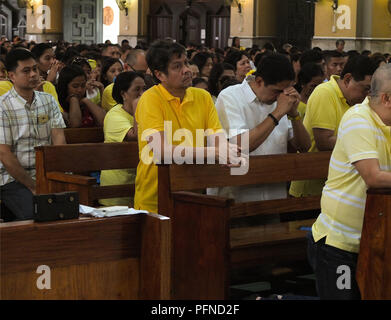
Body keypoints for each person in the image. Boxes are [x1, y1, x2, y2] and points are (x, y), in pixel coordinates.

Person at [307, 64, 391, 300]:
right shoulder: (358, 120)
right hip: (339, 246)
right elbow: (373, 177)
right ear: (387, 98)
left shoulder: (388, 124)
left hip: (375, 240)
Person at [134, 40, 244, 213]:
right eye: (177, 66)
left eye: (186, 63)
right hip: (156, 197)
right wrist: (215, 153)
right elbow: (161, 151)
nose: (187, 70)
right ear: (160, 75)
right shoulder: (151, 99)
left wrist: (226, 150)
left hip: (194, 193)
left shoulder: (203, 97)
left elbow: (217, 136)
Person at [210, 53, 311, 203]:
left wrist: (294, 114)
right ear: (259, 81)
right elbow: (241, 145)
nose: (281, 97)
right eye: (276, 91)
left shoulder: (283, 100)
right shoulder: (230, 97)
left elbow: (304, 146)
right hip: (236, 197)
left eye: (285, 91)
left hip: (274, 195)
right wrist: (278, 113)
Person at [289, 55, 377, 198]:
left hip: (336, 185)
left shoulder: (357, 102)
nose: (367, 95)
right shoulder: (325, 92)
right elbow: (324, 141)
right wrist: (365, 144)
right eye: (365, 89)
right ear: (348, 79)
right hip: (311, 185)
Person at [0, 49, 66, 222]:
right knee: (38, 214)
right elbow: (5, 155)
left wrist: (55, 174)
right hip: (12, 179)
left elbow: (59, 139)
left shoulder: (48, 100)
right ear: (11, 76)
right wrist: (33, 185)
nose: (34, 74)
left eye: (35, 69)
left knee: (71, 209)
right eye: (26, 71)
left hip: (47, 173)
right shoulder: (3, 106)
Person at [100, 72, 145, 207]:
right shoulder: (114, 115)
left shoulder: (146, 112)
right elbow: (136, 137)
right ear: (124, 94)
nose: (142, 94)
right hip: (118, 189)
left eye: (144, 89)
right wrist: (138, 106)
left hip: (139, 183)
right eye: (137, 90)